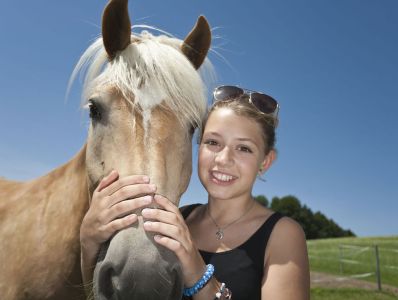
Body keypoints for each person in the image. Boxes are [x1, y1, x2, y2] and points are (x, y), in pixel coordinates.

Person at [80, 85, 310, 300]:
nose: (223, 159)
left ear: (265, 161)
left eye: (244, 148)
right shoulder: (176, 219)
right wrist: (88, 241)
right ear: (198, 146)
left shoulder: (283, 234)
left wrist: (200, 277)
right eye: (213, 142)